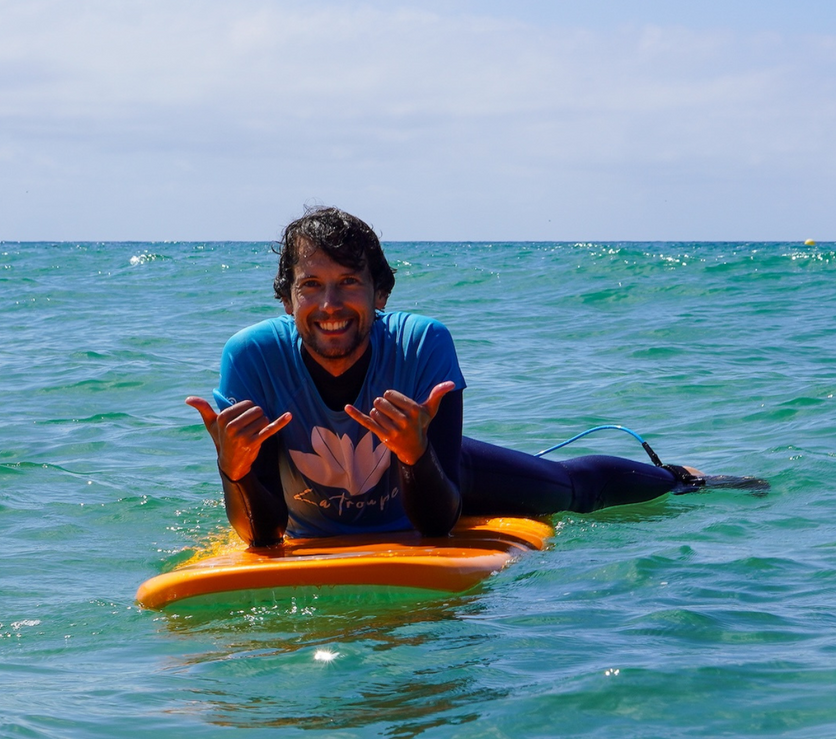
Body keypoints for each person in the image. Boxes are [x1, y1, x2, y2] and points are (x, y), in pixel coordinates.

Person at [185, 207, 763, 546]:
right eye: (311, 285)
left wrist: (414, 455)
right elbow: (262, 536)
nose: (330, 304)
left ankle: (685, 479)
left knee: (571, 488)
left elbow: (436, 524)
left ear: (381, 292)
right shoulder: (251, 357)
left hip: (439, 476)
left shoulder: (421, 344)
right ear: (287, 298)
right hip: (318, 519)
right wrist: (232, 471)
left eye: (350, 283)